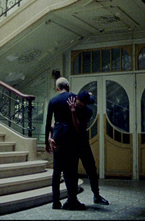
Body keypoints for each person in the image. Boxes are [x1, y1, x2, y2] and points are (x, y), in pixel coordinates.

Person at [45, 77, 86, 210]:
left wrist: (47, 140)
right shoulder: (74, 98)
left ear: (57, 88)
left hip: (57, 137)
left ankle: (55, 202)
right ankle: (72, 199)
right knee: (71, 170)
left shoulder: (53, 101)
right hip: (72, 136)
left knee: (56, 171)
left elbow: (48, 122)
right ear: (68, 85)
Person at [67, 91, 109, 205]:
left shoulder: (87, 111)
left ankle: (96, 195)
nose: (83, 105)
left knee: (91, 169)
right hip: (71, 143)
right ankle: (72, 199)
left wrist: (73, 112)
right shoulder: (70, 105)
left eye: (85, 103)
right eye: (81, 103)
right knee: (72, 171)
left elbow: (78, 128)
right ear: (76, 99)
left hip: (82, 142)